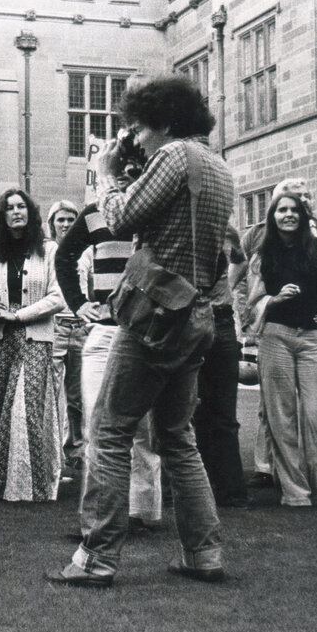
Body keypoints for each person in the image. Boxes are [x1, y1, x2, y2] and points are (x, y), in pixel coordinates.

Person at [47, 74, 233, 587]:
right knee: (177, 438)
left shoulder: (173, 157)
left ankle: (96, 559)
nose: (135, 139)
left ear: (166, 123)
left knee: (108, 431)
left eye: (139, 128)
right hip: (195, 316)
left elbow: (122, 220)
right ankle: (203, 554)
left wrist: (107, 174)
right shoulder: (218, 166)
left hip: (154, 316)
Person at [244, 191, 317, 507]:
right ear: (272, 217)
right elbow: (249, 302)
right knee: (280, 416)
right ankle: (295, 492)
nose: (288, 215)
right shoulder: (261, 256)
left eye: (294, 210)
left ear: (303, 215)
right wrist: (274, 300)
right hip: (275, 337)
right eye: (281, 210)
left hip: (312, 339)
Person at [54, 197, 163, 529]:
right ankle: (99, 514)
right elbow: (64, 256)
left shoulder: (156, 205)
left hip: (145, 330)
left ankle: (143, 511)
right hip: (103, 331)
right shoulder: (94, 212)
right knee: (95, 425)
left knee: (143, 427)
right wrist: (78, 303)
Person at [0, 189, 64, 501]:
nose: (16, 212)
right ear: (2, 216)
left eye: (21, 206)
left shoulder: (48, 251)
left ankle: (31, 484)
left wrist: (18, 315)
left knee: (26, 408)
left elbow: (58, 297)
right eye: (9, 208)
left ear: (31, 213)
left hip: (34, 337)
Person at [195, 225, 251, 508]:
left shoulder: (225, 230)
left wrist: (227, 286)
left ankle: (232, 490)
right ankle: (198, 487)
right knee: (193, 409)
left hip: (222, 321)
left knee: (224, 412)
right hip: (187, 319)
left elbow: (241, 259)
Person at [46, 199, 87, 479]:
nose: (65, 225)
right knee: (51, 393)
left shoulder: (85, 252)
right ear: (52, 223)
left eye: (71, 220)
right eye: (60, 220)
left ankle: (75, 450)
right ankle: (50, 457)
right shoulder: (47, 251)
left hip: (81, 327)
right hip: (55, 326)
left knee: (78, 395)